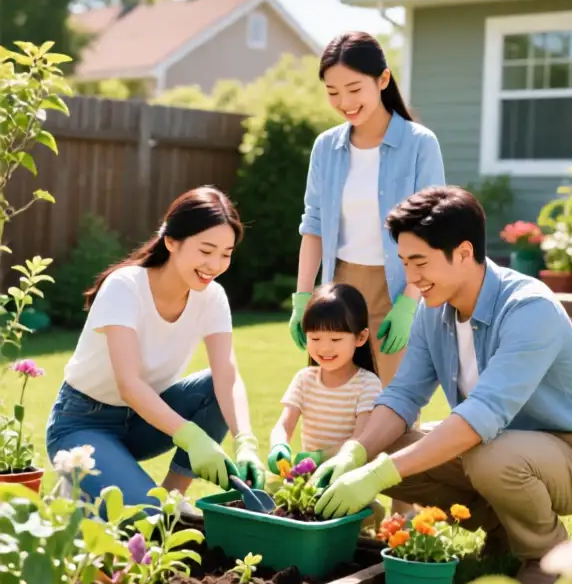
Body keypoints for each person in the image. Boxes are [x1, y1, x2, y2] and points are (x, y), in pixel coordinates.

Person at [311, 186, 572, 584]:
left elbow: (482, 415)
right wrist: (357, 452)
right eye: (404, 263)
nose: (411, 279)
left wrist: (379, 473)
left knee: (489, 457)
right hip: (494, 445)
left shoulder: (530, 309)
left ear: (464, 253)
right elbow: (403, 395)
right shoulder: (437, 310)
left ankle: (546, 556)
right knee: (388, 446)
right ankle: (504, 530)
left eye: (420, 263)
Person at [46, 187, 266, 513]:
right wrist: (192, 438)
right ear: (172, 241)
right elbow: (129, 384)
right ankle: (80, 482)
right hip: (82, 423)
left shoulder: (212, 297)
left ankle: (174, 496)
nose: (215, 264)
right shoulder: (125, 287)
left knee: (214, 388)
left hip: (143, 422)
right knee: (145, 518)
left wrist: (245, 440)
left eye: (226, 253)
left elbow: (226, 377)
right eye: (206, 250)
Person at [290, 31, 445, 388]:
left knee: (392, 409)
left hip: (397, 289)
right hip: (337, 291)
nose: (344, 101)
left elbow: (431, 231)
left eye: (354, 89)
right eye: (332, 92)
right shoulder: (325, 147)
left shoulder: (420, 145)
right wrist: (302, 299)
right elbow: (313, 226)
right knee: (332, 404)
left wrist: (409, 302)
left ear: (383, 79)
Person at [268, 283, 382, 471]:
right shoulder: (305, 379)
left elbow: (360, 440)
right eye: (315, 338)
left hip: (347, 479)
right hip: (310, 478)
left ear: (360, 337)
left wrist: (321, 457)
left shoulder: (367, 384)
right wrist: (279, 445)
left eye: (336, 339)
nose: (325, 348)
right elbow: (284, 425)